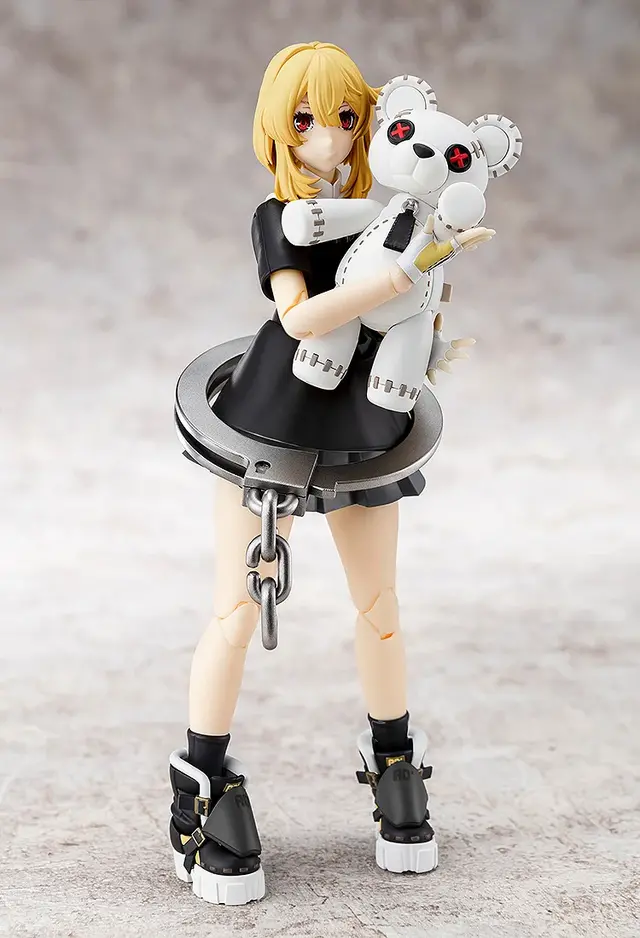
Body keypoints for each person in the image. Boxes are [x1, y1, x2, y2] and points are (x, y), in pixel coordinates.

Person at [168, 41, 474, 906]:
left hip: (367, 412)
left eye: (345, 118)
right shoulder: (281, 217)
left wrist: (422, 291)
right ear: (278, 128)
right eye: (306, 120)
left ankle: (395, 764)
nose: (329, 138)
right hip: (275, 412)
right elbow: (300, 318)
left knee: (380, 609)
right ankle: (200, 786)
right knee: (236, 610)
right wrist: (399, 277)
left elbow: (412, 304)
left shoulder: (388, 212)